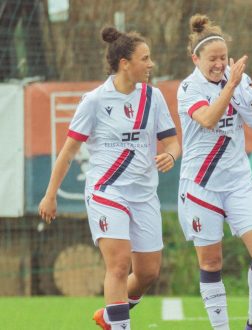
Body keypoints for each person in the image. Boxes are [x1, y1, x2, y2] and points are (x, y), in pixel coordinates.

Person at [38, 26, 181, 330]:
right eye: (145, 58)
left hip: (143, 195)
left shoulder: (153, 97)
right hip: (106, 191)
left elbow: (172, 142)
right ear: (124, 64)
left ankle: (110, 314)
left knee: (148, 273)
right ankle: (120, 325)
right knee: (118, 265)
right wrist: (50, 194)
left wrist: (171, 154)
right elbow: (67, 151)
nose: (151, 64)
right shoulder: (94, 101)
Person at [176, 14, 252, 330]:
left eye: (222, 58)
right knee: (211, 262)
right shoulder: (190, 88)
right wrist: (229, 85)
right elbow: (207, 119)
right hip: (201, 186)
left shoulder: (237, 78)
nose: (219, 64)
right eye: (212, 59)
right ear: (195, 59)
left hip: (237, 182)